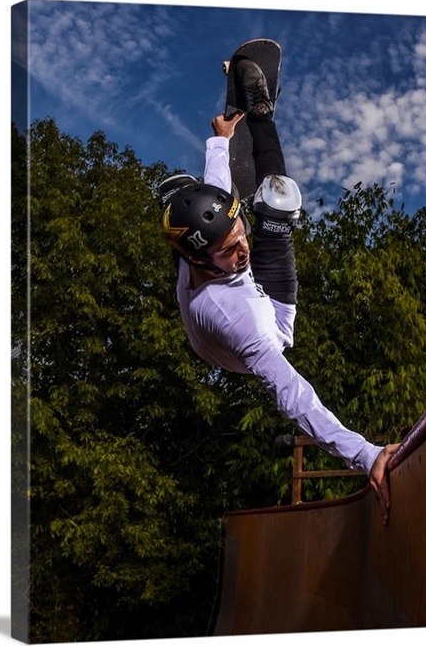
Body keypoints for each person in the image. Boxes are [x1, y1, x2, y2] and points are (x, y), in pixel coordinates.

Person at [159, 59, 398, 522]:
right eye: (230, 250)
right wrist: (366, 455)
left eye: (241, 233)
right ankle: (257, 127)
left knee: (238, 198)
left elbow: (218, 186)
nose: (244, 248)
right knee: (277, 201)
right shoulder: (243, 322)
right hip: (271, 316)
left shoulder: (206, 249)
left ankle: (255, 119)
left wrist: (221, 138)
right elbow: (296, 397)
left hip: (230, 296)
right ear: (196, 260)